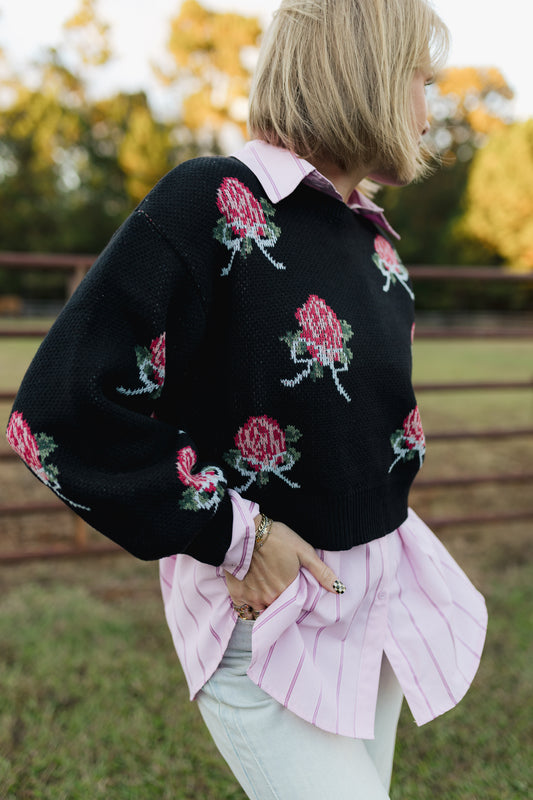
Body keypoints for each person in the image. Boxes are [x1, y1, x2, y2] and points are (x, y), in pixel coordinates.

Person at [6, 1, 487, 797]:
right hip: (265, 617)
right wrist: (240, 534)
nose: (430, 110)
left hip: (375, 603)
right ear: (363, 75)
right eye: (419, 80)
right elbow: (58, 413)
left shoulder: (372, 239)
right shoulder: (210, 201)